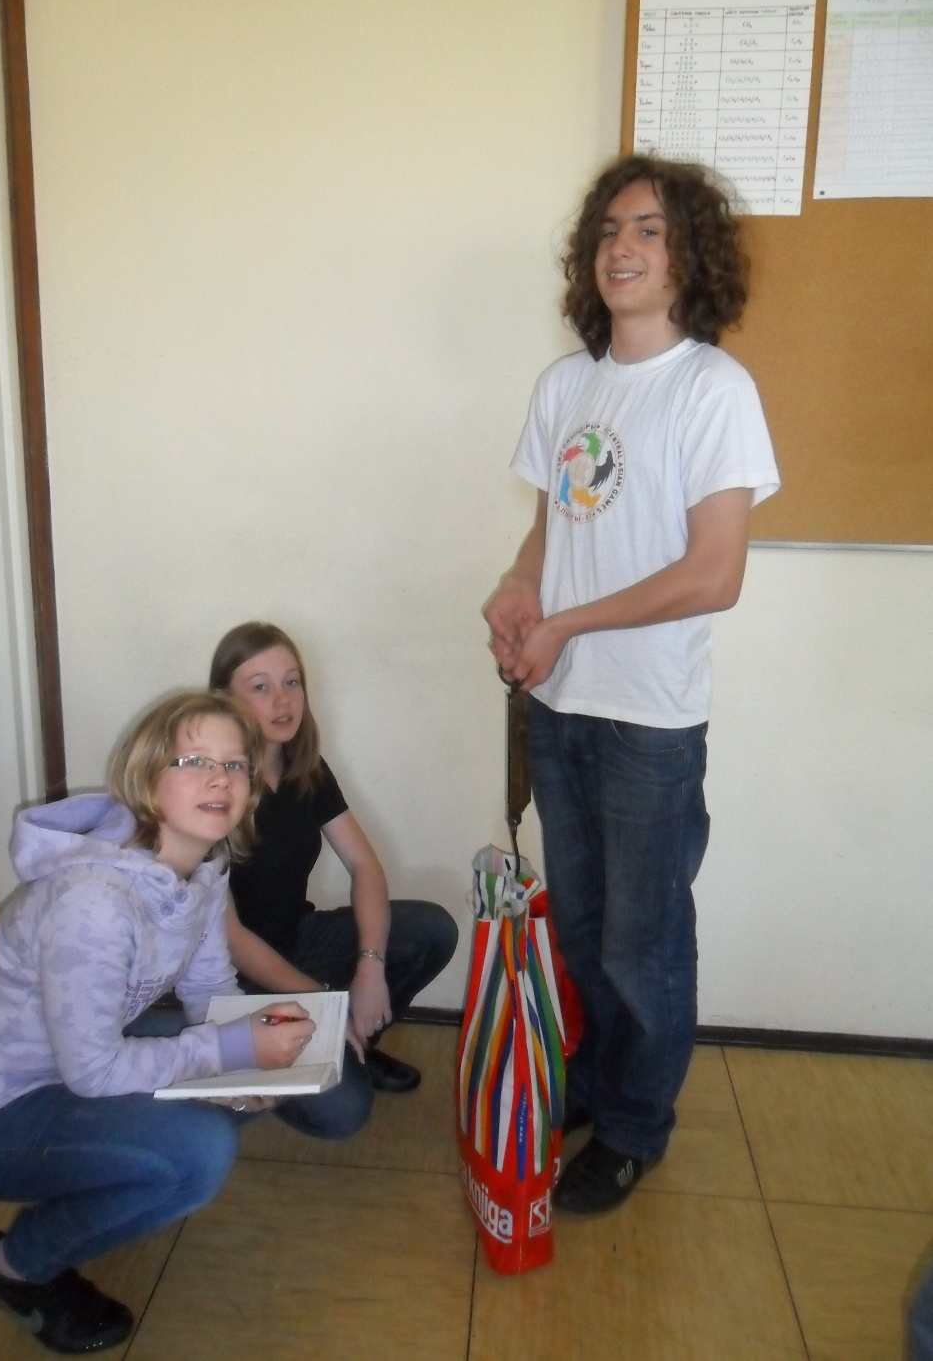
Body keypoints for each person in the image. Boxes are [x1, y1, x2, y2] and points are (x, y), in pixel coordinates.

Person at [484, 154, 781, 1215]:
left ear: (687, 255)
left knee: (639, 943)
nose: (622, 247)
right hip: (558, 706)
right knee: (580, 928)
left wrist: (566, 622)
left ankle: (633, 1126)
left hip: (648, 721)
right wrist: (520, 590)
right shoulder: (565, 384)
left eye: (649, 229)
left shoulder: (712, 389)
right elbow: (551, 529)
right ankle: (600, 1084)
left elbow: (715, 573)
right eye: (609, 229)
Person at [0, 690, 369, 1355]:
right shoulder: (94, 903)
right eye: (194, 761)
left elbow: (208, 988)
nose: (219, 778)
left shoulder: (204, 868)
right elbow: (94, 1071)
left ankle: (118, 1173)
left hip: (70, 1072)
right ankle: (14, 1268)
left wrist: (241, 1065)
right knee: (199, 1153)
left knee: (259, 1076)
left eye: (235, 765)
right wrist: (225, 1051)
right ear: (146, 779)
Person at [209, 621, 459, 1094]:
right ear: (224, 699)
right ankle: (326, 1046)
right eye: (260, 687)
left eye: (292, 682)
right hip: (236, 978)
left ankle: (349, 1043)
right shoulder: (215, 784)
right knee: (344, 1113)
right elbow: (232, 938)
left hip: (299, 941)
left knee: (432, 930)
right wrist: (322, 1001)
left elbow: (365, 866)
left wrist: (370, 967)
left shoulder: (305, 768)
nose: (282, 700)